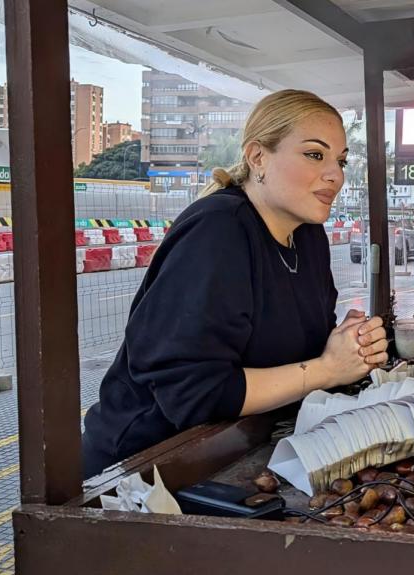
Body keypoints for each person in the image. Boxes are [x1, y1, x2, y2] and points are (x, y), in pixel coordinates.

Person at [81, 90, 388, 478]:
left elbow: (299, 357)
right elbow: (195, 394)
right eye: (315, 155)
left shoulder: (308, 236)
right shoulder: (217, 230)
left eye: (341, 161)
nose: (336, 174)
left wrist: (349, 346)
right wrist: (328, 369)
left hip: (239, 454)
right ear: (258, 156)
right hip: (144, 469)